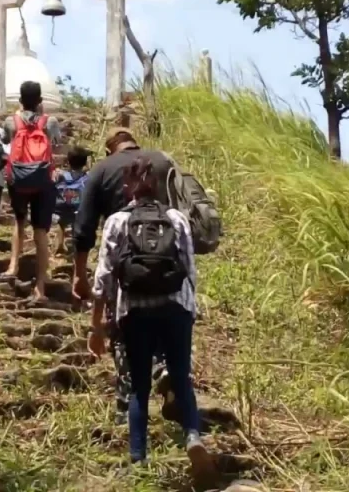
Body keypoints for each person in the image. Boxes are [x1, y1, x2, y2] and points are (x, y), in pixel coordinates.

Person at [88, 156, 212, 476]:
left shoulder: (117, 221)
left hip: (135, 310)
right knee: (181, 377)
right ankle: (193, 436)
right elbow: (190, 269)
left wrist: (97, 326)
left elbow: (103, 278)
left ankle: (139, 458)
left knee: (139, 386)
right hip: (176, 307)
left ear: (129, 186)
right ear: (157, 185)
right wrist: (190, 309)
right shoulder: (176, 218)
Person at [71, 127, 173, 420]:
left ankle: (125, 408)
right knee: (163, 324)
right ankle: (164, 370)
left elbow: (84, 228)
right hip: (168, 265)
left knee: (123, 333)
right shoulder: (162, 161)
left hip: (125, 268)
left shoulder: (103, 169)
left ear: (109, 150)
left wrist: (79, 273)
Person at [1, 80, 61, 298]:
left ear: (20, 100)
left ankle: (13, 266)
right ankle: (40, 286)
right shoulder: (50, 121)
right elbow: (57, 143)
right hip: (43, 179)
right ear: (40, 101)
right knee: (40, 231)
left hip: (18, 177)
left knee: (18, 221)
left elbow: (7, 139)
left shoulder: (11, 120)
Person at [53, 145, 90, 255]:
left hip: (61, 207)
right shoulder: (86, 177)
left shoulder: (62, 175)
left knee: (61, 222)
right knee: (76, 225)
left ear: (68, 161)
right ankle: (75, 247)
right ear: (84, 163)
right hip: (78, 208)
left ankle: (59, 243)